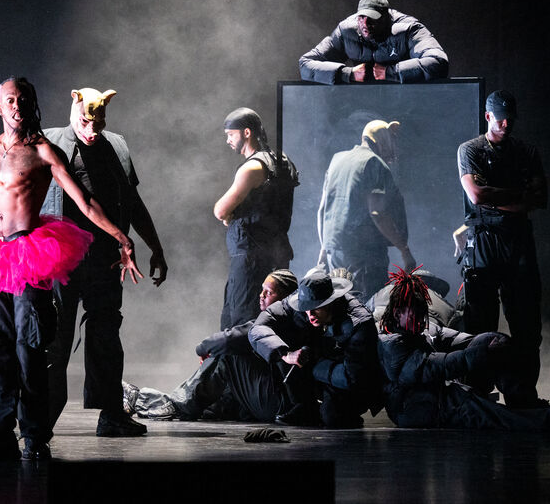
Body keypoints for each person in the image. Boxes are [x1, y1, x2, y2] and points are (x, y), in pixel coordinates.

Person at [0, 77, 142, 461]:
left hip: (29, 254)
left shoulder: (44, 151)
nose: (16, 106)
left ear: (32, 105)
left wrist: (122, 237)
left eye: (23, 99)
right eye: (10, 100)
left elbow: (83, 201)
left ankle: (35, 437)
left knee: (31, 349)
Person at [41, 87, 167, 437]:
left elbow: (133, 200)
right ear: (74, 107)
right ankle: (41, 422)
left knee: (106, 335)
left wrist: (154, 246)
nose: (93, 130)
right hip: (61, 260)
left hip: (106, 260)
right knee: (56, 338)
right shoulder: (48, 142)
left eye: (99, 121)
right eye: (85, 121)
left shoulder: (117, 145)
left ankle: (111, 414)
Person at [377, 266, 550, 432]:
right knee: (483, 411)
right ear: (397, 314)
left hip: (436, 397)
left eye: (421, 312)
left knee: (491, 346)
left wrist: (490, 341)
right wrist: (477, 353)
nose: (419, 318)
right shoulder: (391, 344)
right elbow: (432, 367)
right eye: (413, 313)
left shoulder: (422, 328)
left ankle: (527, 404)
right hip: (414, 409)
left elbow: (459, 339)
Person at [456, 89, 547, 407]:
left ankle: (523, 394)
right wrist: (515, 197)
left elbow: (538, 198)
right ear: (487, 117)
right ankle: (479, 393)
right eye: (500, 118)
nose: (506, 123)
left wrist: (497, 196)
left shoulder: (526, 151)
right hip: (484, 242)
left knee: (526, 325)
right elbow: (476, 196)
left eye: (510, 118)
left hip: (518, 243)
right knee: (480, 324)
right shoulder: (471, 150)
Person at [132, 269, 298, 421]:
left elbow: (228, 340)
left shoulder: (275, 323)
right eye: (262, 289)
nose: (261, 295)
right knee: (236, 364)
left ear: (283, 298)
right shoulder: (298, 320)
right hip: (282, 403)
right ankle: (212, 408)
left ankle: (176, 405)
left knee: (227, 355)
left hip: (278, 406)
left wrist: (202, 349)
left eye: (268, 292)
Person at [248, 269, 380, 428]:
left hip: (347, 380)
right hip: (321, 366)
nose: (310, 314)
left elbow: (354, 377)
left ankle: (330, 410)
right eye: (306, 308)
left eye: (316, 307)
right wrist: (284, 354)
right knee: (280, 332)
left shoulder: (359, 323)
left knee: (333, 417)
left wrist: (313, 362)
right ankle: (304, 405)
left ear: (330, 302)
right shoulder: (299, 301)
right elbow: (259, 327)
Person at [214, 107, 299, 329]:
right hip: (278, 257)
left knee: (241, 322)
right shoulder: (284, 161)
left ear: (247, 133)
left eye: (231, 134)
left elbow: (221, 211)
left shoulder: (252, 167)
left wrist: (229, 215)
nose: (228, 140)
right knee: (274, 320)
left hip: (250, 260)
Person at [317, 119, 416, 303]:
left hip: (335, 252)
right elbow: (377, 213)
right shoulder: (374, 162)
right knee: (367, 305)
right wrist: (404, 250)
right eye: (391, 138)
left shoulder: (337, 159)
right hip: (364, 255)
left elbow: (323, 209)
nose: (393, 144)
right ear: (381, 138)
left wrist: (324, 249)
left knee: (340, 304)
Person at [298, 0, 448, 85]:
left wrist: (389, 73)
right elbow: (305, 65)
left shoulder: (408, 29)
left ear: (385, 18)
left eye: (372, 18)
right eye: (361, 17)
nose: (365, 23)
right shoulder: (346, 30)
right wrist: (347, 74)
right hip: (362, 104)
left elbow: (438, 62)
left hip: (407, 103)